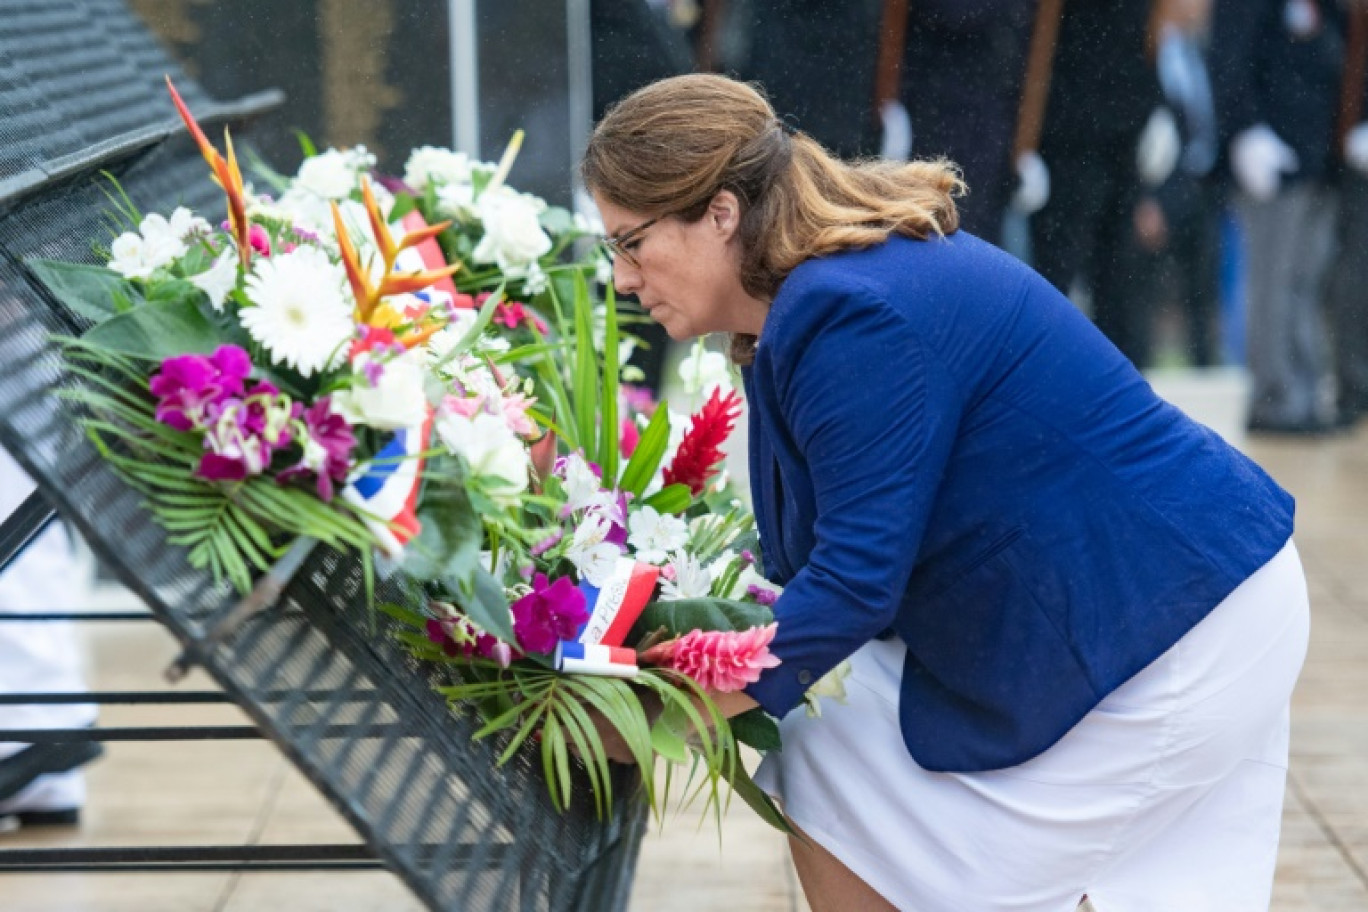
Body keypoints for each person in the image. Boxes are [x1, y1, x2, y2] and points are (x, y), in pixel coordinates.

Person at [582, 74, 1308, 911]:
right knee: (829, 736)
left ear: (719, 213)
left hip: (1175, 624)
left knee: (834, 744)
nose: (624, 278)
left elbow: (853, 582)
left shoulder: (844, 310)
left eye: (630, 242)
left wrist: (662, 713)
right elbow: (811, 557)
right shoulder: (816, 291)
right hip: (1168, 593)